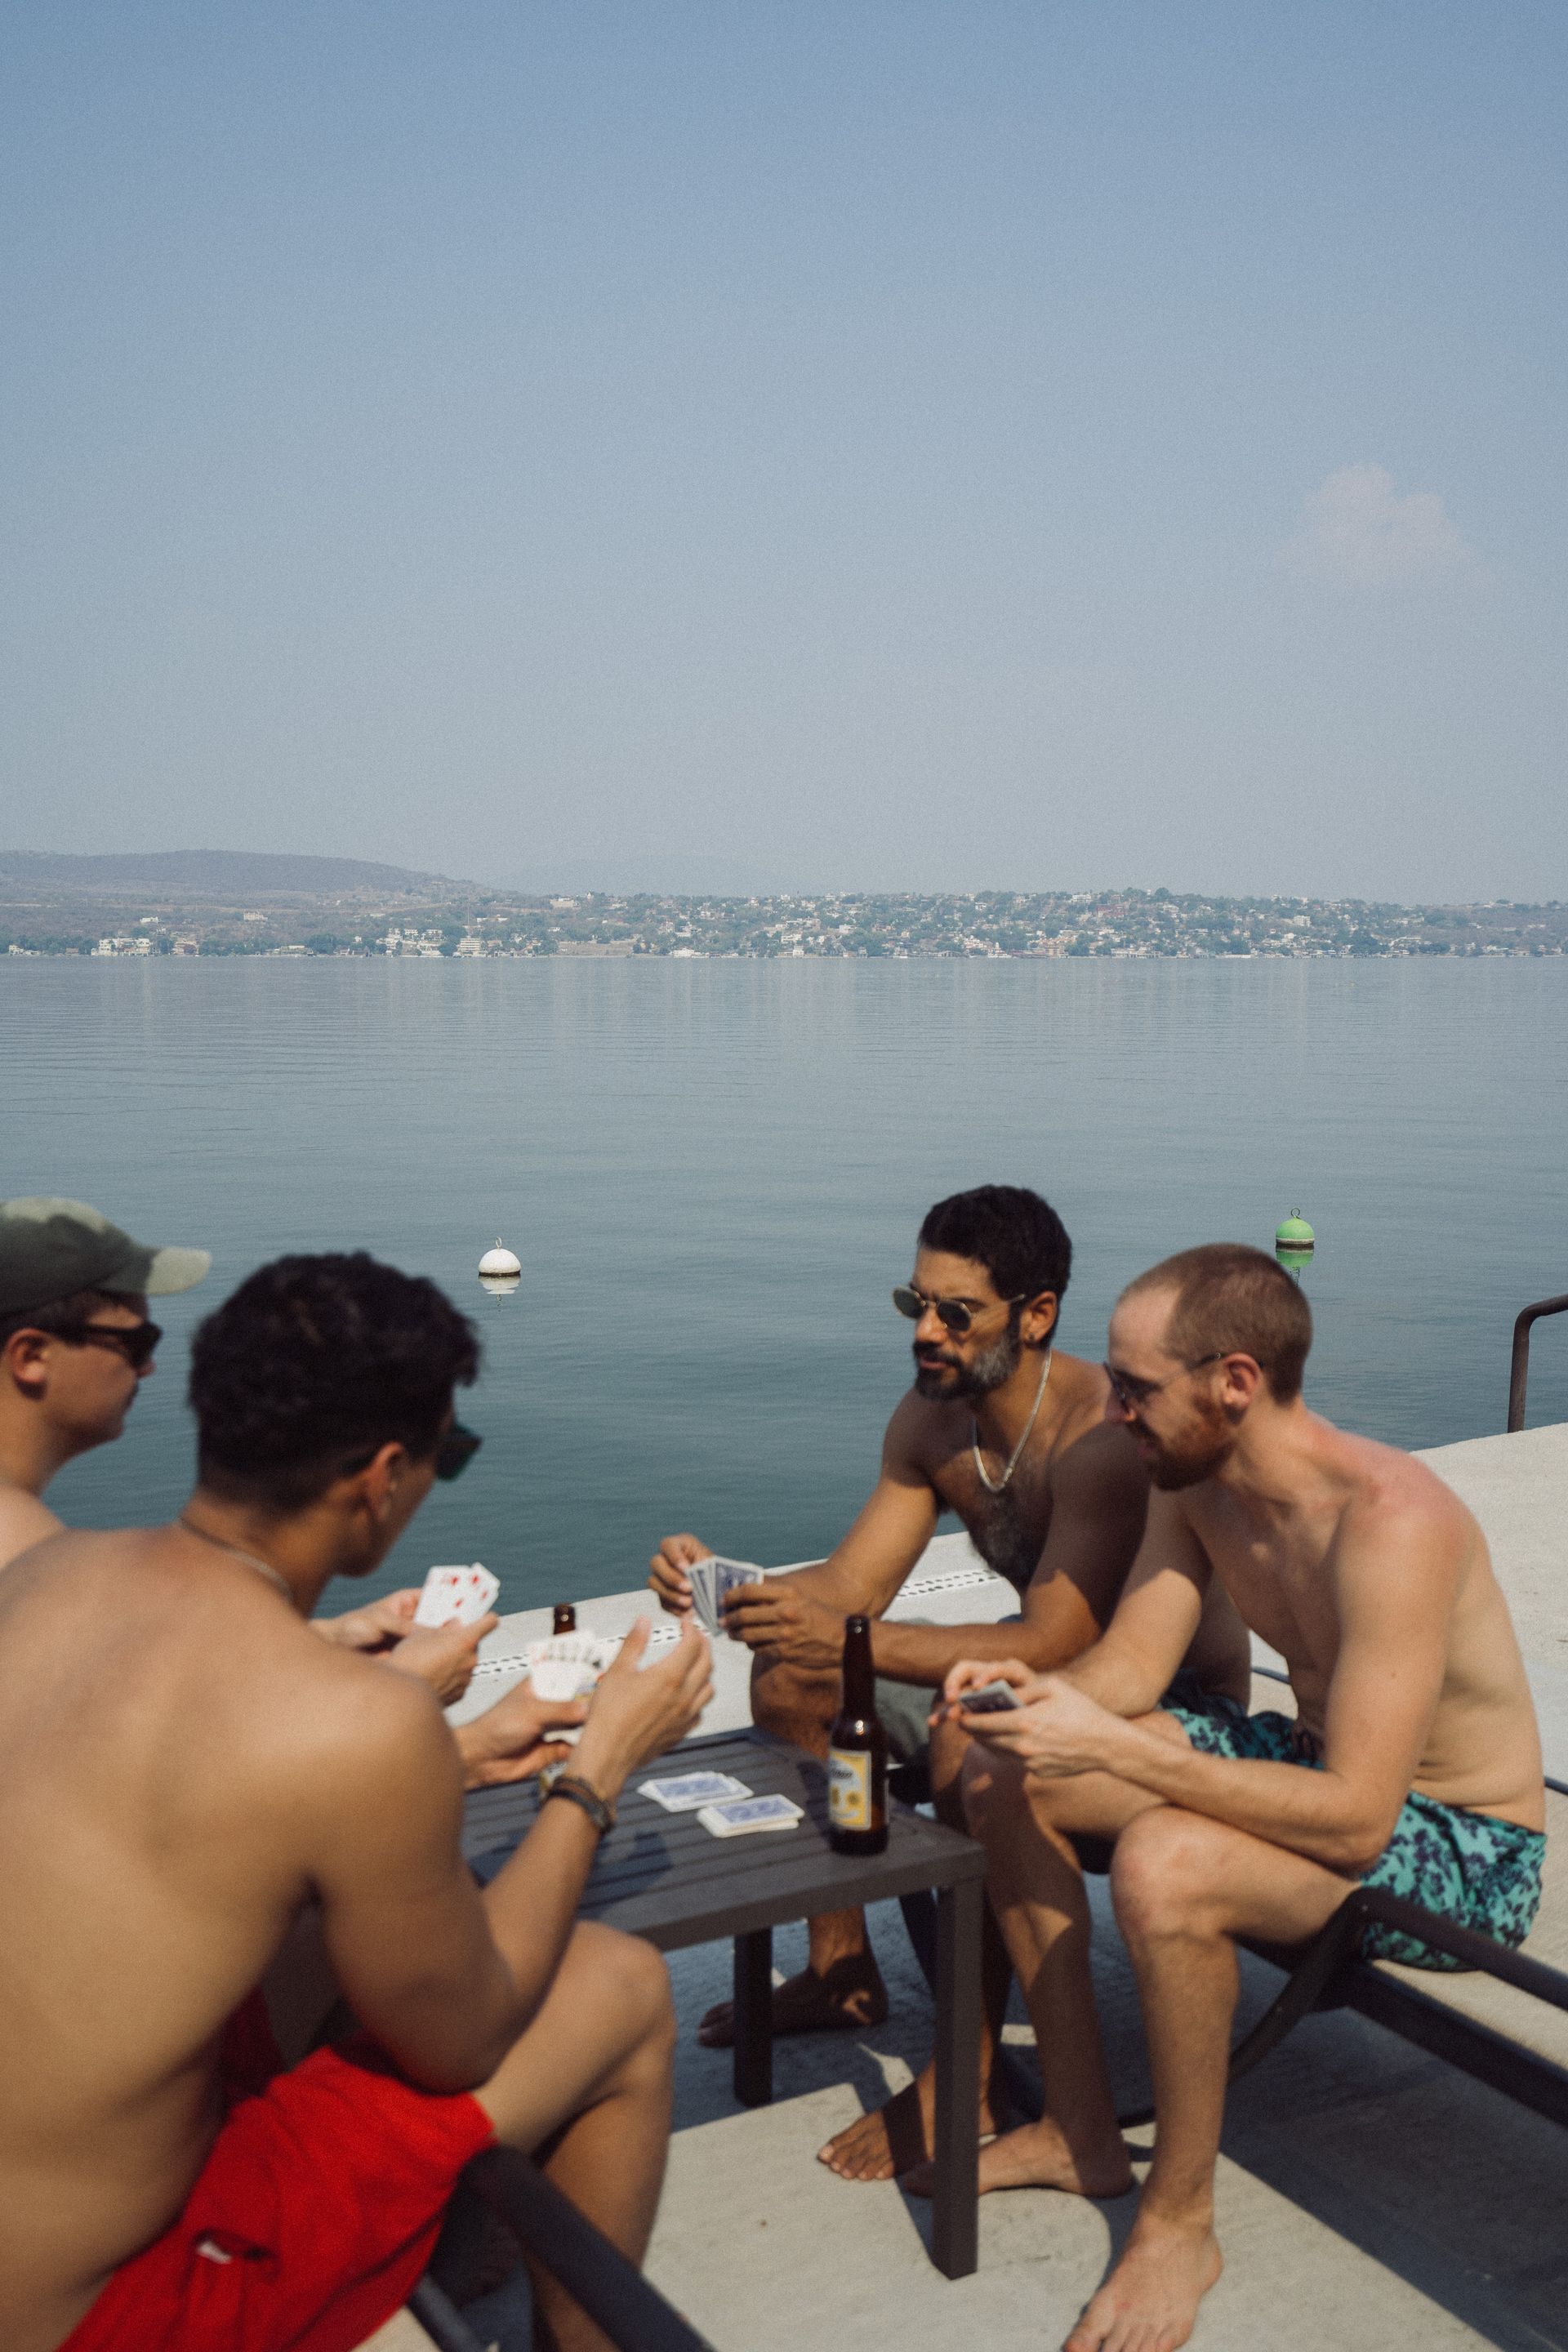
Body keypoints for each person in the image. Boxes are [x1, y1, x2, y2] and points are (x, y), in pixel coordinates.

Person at [0, 1251, 714, 2352]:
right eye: (447, 1456)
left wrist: (458, 1752)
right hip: (109, 2317)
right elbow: (464, 2041)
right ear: (383, 1477)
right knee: (619, 1986)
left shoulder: (43, 1578)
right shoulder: (351, 1724)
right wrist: (602, 1764)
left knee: (333, 1936)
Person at [940, 1243, 1546, 2352]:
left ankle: (1180, 2221)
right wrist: (1040, 1695)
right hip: (1314, 1760)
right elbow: (1128, 1671)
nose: (1114, 1412)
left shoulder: (1392, 1523)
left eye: (1136, 1390)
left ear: (1234, 1382)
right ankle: (1079, 2123)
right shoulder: (1197, 1483)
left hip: (1462, 1843)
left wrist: (1128, 1758)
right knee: (1000, 1765)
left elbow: (1364, 1817)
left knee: (1167, 1858)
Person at [648, 1185, 1250, 2179]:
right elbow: (850, 1589)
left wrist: (839, 1629)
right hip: (1042, 1677)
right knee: (796, 1678)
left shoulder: (1099, 1438)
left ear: (1037, 1314)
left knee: (966, 1721)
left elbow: (1054, 1638)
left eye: (955, 1312)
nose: (926, 1332)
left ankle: (961, 2071)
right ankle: (841, 1968)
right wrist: (729, 1590)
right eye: (914, 1304)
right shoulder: (932, 1423)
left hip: (1165, 1705)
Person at [0, 1196, 495, 1711]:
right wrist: (400, 1700)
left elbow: (119, 1685)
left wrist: (316, 1641)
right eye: (137, 1341)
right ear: (32, 1356)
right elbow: (110, 1753)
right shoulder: (22, 1551)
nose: (148, 1368)